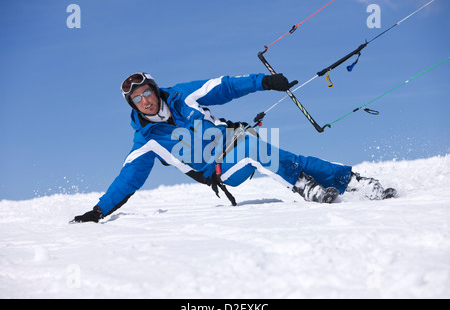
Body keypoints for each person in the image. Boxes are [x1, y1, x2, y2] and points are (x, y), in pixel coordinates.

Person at [71, 72, 396, 223]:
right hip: (219, 169)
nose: (144, 100)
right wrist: (99, 210)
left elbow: (223, 86)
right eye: (137, 98)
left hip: (231, 143)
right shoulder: (147, 139)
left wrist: (264, 83)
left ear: (155, 89)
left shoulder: (183, 95)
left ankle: (352, 181)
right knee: (258, 150)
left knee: (288, 158)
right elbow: (128, 177)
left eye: (146, 92)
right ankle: (306, 189)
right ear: (132, 104)